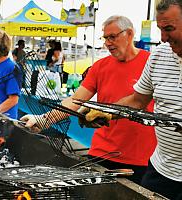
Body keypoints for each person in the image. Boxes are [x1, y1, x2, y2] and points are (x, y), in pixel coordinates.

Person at [20, 16, 157, 184]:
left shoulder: (151, 63)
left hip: (140, 156)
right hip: (102, 151)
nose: (107, 43)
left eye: (112, 37)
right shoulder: (100, 67)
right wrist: (43, 120)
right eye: (105, 38)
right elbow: (75, 100)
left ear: (129, 34)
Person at [80, 1, 182, 199]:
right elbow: (137, 100)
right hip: (161, 170)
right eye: (160, 29)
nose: (163, 38)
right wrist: (106, 111)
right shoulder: (160, 55)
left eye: (169, 29)